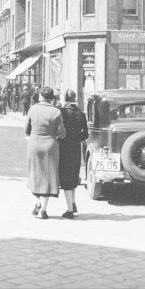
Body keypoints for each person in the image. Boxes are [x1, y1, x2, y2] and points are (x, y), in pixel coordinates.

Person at [25, 86, 66, 219]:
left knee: (35, 173)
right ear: (52, 98)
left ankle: (37, 201)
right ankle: (44, 209)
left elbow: (27, 129)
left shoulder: (33, 109)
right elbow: (62, 133)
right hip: (50, 146)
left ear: (41, 96)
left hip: (35, 144)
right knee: (48, 177)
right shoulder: (56, 112)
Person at [58, 89, 89, 218]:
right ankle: (73, 202)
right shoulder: (81, 114)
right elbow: (85, 134)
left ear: (65, 98)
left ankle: (69, 209)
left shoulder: (62, 112)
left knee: (65, 178)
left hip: (64, 148)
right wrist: (76, 138)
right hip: (75, 149)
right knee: (73, 175)